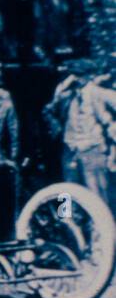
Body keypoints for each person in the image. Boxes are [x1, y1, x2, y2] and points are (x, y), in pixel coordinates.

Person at [46, 63, 116, 205]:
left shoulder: (97, 92)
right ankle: (66, 221)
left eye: (80, 74)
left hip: (92, 149)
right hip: (70, 148)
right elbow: (51, 108)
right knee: (66, 190)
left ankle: (99, 225)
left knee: (96, 192)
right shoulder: (66, 94)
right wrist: (63, 87)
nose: (77, 78)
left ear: (89, 76)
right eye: (74, 74)